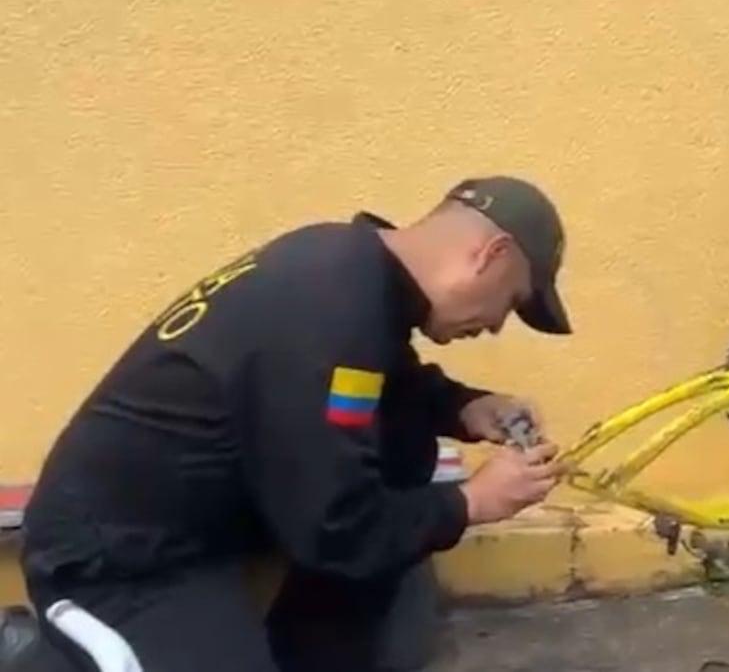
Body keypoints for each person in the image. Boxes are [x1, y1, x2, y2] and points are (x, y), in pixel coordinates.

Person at [18, 175, 573, 672]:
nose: (499, 324)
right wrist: (472, 502)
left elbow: (378, 385)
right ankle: (31, 655)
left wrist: (463, 407)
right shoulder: (332, 314)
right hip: (116, 560)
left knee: (399, 466)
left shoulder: (348, 273)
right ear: (492, 254)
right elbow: (335, 526)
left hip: (205, 527)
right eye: (513, 300)